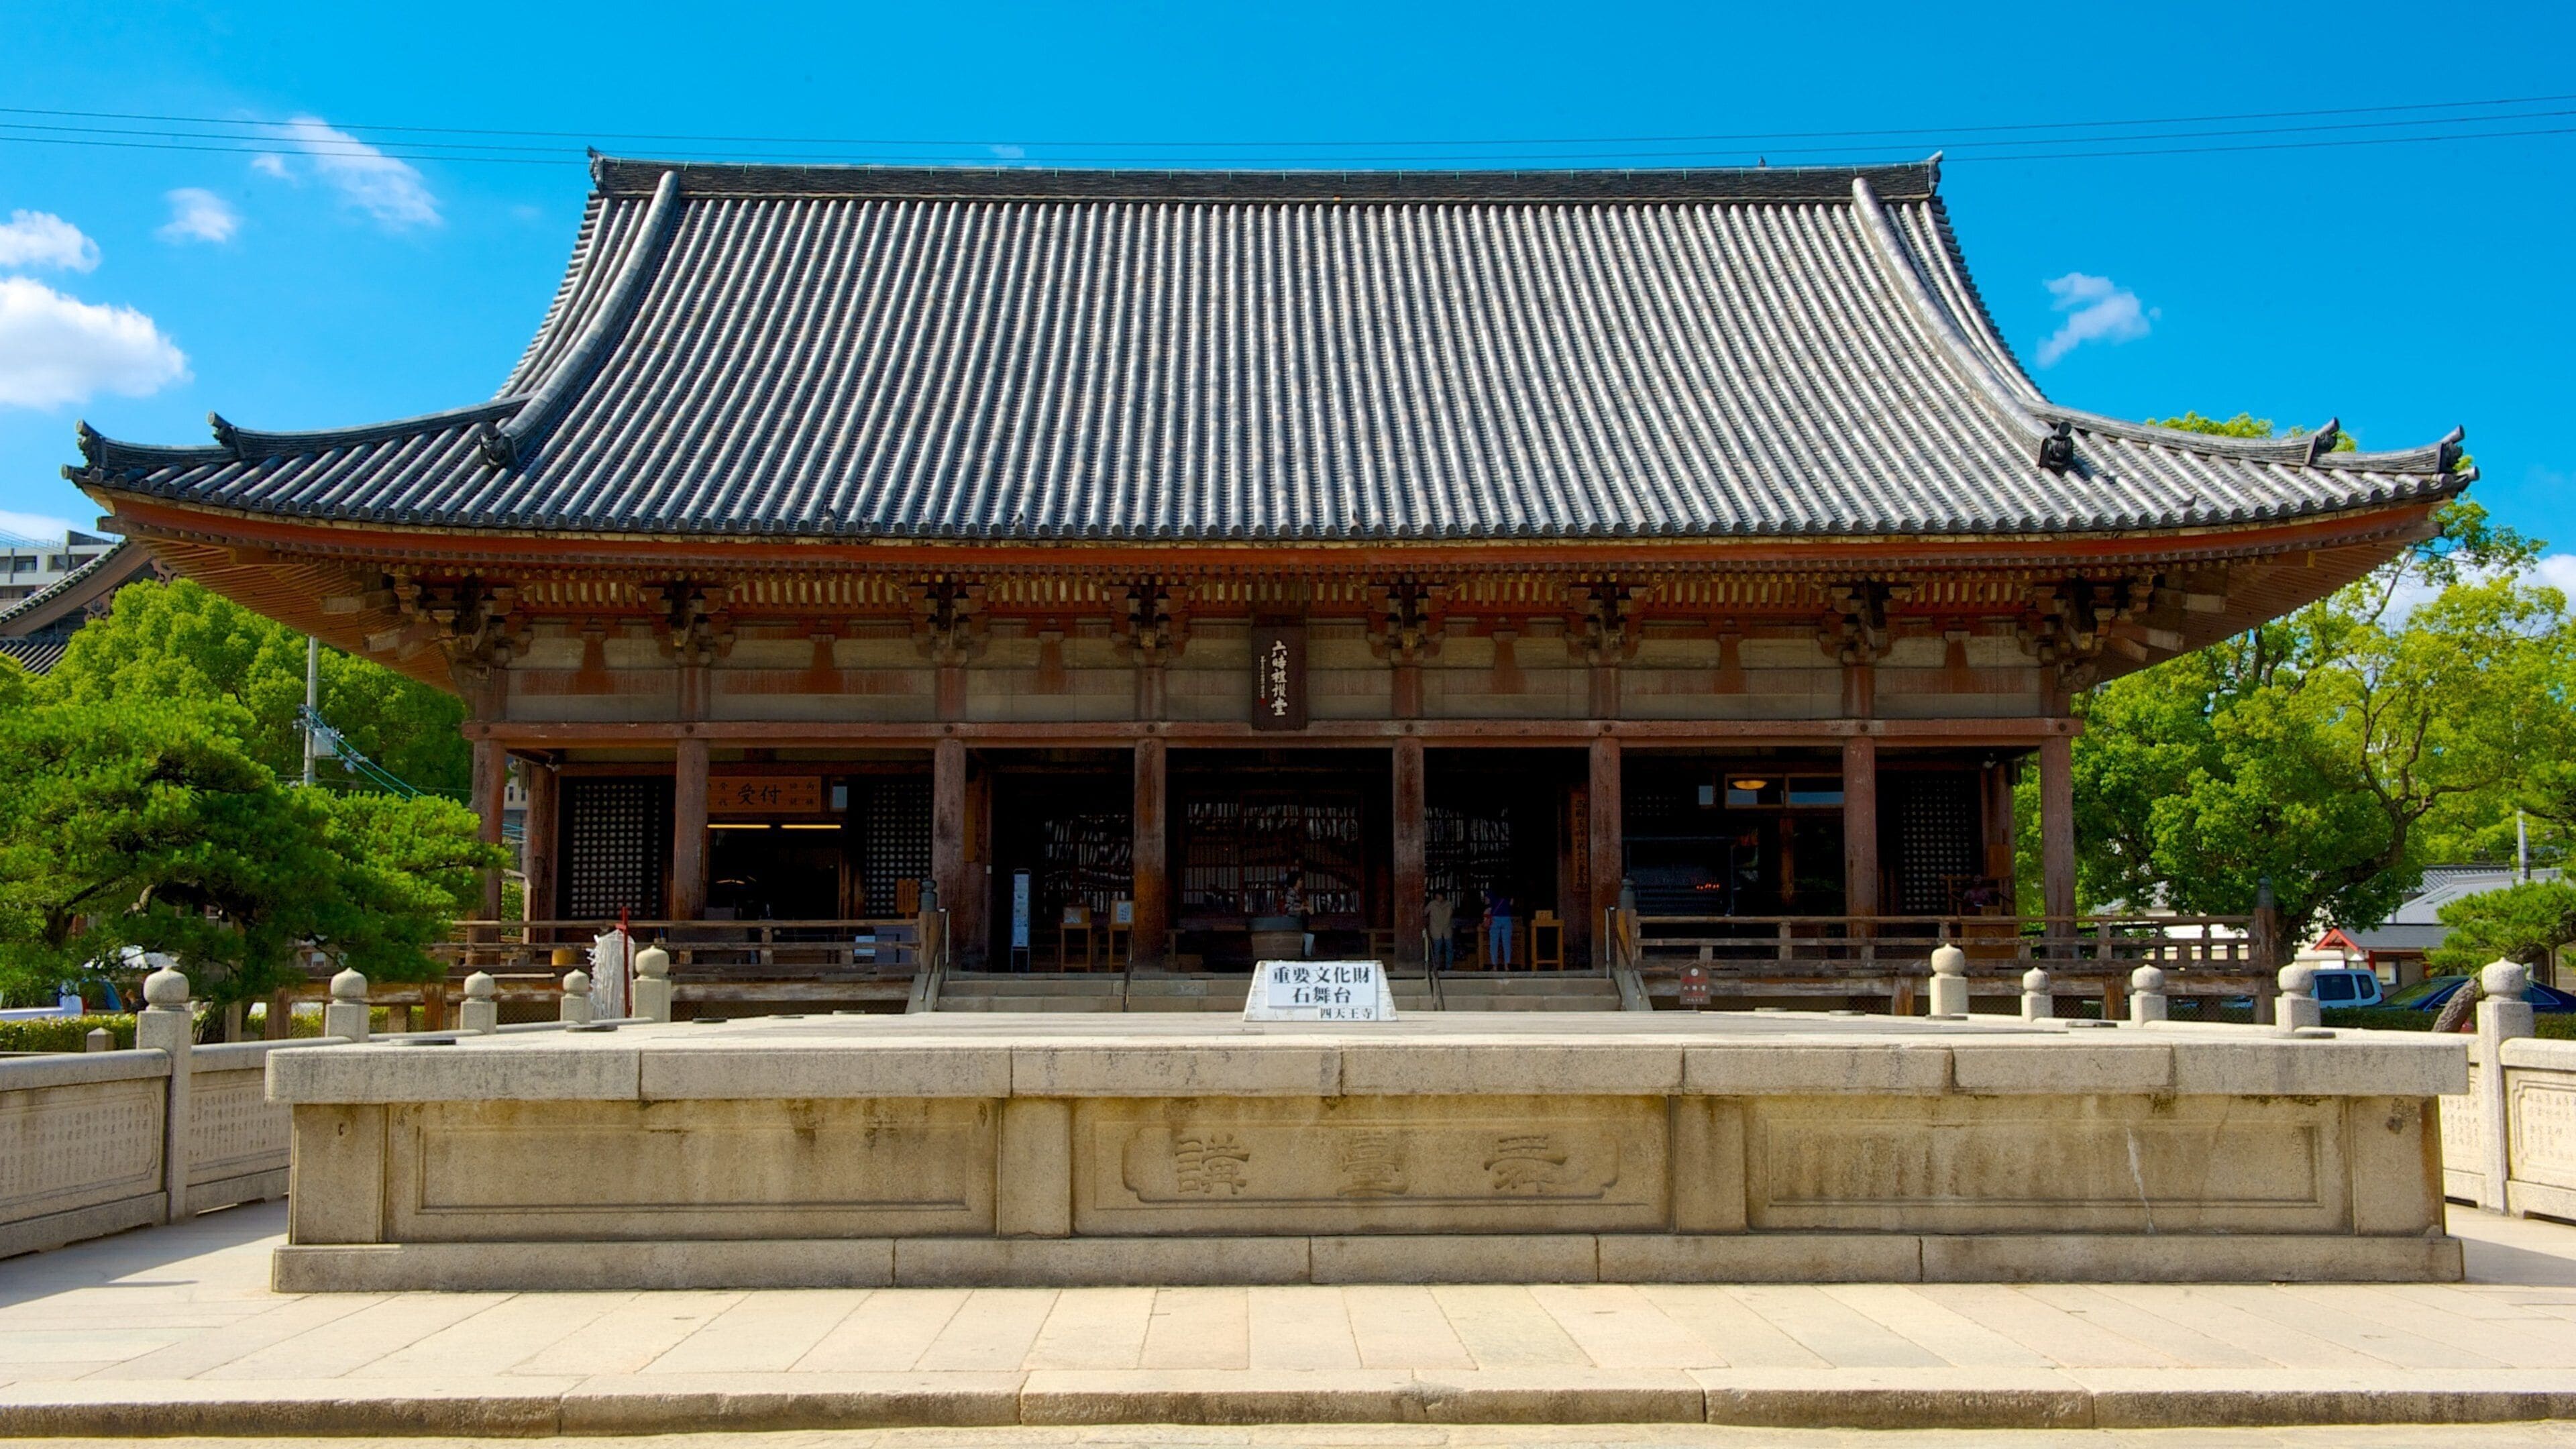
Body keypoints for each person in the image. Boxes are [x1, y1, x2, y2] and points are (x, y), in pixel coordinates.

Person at [1485, 888, 1515, 969]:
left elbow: (1487, 902)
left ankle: (1495, 967)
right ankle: (1506, 966)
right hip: (1506, 918)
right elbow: (1511, 904)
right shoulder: (1509, 891)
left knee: (1494, 943)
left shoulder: (1491, 891)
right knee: (1507, 943)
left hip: (1495, 919)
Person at [1426, 893, 1456, 970]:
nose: (1438, 896)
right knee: (1437, 949)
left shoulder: (1449, 905)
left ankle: (1448, 967)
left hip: (1446, 929)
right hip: (1436, 929)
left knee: (1449, 948)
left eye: (1439, 895)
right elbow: (1424, 913)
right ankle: (1436, 966)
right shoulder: (1432, 904)